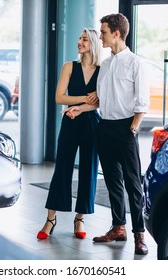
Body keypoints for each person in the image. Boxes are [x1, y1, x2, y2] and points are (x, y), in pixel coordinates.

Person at [63, 13, 150, 255]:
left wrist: (131, 129)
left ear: (116, 34)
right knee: (112, 182)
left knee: (133, 184)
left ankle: (139, 236)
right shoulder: (107, 64)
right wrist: (79, 108)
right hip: (105, 127)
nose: (99, 36)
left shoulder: (135, 63)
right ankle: (118, 227)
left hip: (125, 128)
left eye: (103, 32)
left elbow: (142, 104)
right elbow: (99, 101)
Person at [37, 28, 101, 240]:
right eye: (79, 38)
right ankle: (51, 218)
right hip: (70, 121)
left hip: (92, 122)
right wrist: (86, 97)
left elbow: (101, 101)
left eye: (84, 39)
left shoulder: (103, 70)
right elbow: (59, 97)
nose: (79, 42)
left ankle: (79, 218)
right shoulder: (69, 67)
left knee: (88, 171)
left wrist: (86, 103)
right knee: (62, 167)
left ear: (93, 43)